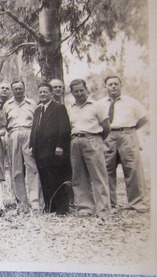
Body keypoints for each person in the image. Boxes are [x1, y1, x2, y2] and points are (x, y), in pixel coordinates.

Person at [99, 76, 148, 212]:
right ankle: (109, 202)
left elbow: (144, 118)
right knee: (107, 168)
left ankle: (137, 203)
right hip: (108, 135)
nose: (113, 86)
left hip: (127, 134)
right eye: (110, 84)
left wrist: (131, 130)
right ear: (105, 87)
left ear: (121, 85)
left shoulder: (131, 102)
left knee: (132, 169)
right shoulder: (100, 104)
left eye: (116, 84)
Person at [67, 79, 111, 217]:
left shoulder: (96, 105)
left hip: (93, 139)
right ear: (72, 93)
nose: (79, 93)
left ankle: (104, 210)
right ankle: (85, 208)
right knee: (79, 177)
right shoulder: (70, 108)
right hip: (75, 141)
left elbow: (107, 127)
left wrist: (96, 140)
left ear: (86, 90)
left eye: (82, 90)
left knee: (98, 175)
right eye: (76, 91)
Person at [30, 83, 71, 215]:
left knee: (56, 177)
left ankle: (61, 208)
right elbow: (34, 129)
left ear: (51, 93)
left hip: (54, 149)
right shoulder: (38, 110)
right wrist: (32, 146)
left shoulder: (58, 107)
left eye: (45, 92)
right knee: (44, 178)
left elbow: (64, 128)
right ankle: (49, 206)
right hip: (40, 150)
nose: (42, 94)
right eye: (40, 92)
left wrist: (60, 145)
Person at [3, 81, 43, 212]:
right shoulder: (7, 105)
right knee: (16, 170)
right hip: (13, 134)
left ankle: (35, 202)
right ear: (12, 91)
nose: (18, 91)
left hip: (29, 133)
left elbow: (37, 122)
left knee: (32, 168)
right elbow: (4, 124)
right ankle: (21, 202)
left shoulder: (32, 104)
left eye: (20, 89)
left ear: (24, 89)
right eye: (15, 89)